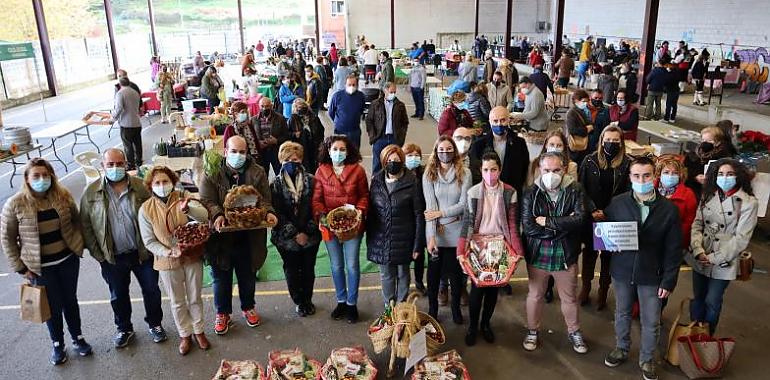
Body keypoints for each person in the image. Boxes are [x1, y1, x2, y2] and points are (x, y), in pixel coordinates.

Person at [1, 158, 92, 365]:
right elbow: (7, 238)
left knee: (70, 301)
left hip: (67, 261)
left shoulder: (63, 196)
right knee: (51, 306)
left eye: (45, 175)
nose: (42, 179)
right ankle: (58, 344)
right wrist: (21, 268)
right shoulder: (15, 204)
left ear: (52, 176)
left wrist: (78, 245)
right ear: (27, 178)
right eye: (36, 176)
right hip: (40, 269)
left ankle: (78, 338)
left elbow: (77, 222)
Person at [603, 156, 683, 380]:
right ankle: (622, 347)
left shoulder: (668, 210)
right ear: (630, 178)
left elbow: (674, 249)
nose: (641, 179)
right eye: (636, 175)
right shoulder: (618, 203)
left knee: (651, 320)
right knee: (622, 312)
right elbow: (605, 232)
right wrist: (609, 244)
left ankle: (647, 359)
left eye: (646, 175)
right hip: (622, 271)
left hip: (652, 274)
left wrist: (668, 281)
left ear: (654, 177)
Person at [80, 148, 165, 349]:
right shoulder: (91, 193)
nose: (115, 168)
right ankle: (124, 328)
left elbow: (155, 214)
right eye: (110, 164)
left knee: (152, 290)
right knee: (118, 295)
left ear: (126, 164)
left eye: (119, 164)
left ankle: (155, 324)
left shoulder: (141, 187)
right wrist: (98, 253)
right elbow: (85, 225)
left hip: (142, 253)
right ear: (103, 166)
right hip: (113, 256)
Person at [200, 136, 277, 335]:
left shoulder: (257, 172)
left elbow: (266, 200)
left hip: (248, 236)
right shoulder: (212, 172)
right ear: (225, 151)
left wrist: (268, 212)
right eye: (234, 151)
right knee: (221, 278)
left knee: (247, 275)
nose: (238, 156)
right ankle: (222, 313)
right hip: (221, 238)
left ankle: (248, 307)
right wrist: (217, 214)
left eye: (242, 152)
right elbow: (206, 200)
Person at [521, 152, 589, 354]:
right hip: (538, 254)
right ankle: (532, 330)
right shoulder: (530, 192)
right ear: (539, 170)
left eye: (556, 170)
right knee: (535, 295)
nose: (551, 174)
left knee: (569, 298)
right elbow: (529, 227)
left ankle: (574, 331)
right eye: (547, 170)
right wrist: (563, 224)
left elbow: (580, 220)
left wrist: (547, 221)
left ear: (565, 169)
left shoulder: (575, 190)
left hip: (565, 254)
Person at [138, 166, 210, 355]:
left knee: (195, 297)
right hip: (167, 261)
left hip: (192, 255)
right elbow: (148, 241)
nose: (162, 186)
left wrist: (189, 209)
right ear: (150, 186)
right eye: (157, 183)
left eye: (165, 181)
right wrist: (167, 251)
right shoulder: (146, 209)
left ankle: (199, 331)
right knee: (177, 301)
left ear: (172, 181)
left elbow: (203, 217)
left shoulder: (184, 195)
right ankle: (185, 334)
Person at [458, 151, 525, 346]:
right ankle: (473, 326)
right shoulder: (472, 193)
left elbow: (512, 224)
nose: (490, 174)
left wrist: (517, 251)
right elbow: (468, 224)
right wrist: (461, 251)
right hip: (478, 246)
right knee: (477, 290)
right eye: (486, 170)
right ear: (480, 170)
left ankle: (486, 324)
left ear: (500, 170)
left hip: (498, 246)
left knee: (493, 290)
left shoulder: (510, 192)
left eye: (493, 169)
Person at [688, 158, 758, 335]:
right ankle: (693, 332)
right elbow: (697, 224)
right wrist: (698, 250)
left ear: (739, 176)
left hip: (724, 258)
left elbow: (741, 239)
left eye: (730, 174)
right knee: (698, 297)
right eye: (720, 174)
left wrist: (713, 258)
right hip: (701, 253)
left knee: (713, 299)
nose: (724, 178)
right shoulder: (708, 195)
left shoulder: (748, 203)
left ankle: (707, 335)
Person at [313, 135, 369, 323]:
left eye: (342, 149)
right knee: (336, 265)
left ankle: (352, 304)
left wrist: (358, 212)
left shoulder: (358, 171)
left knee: (352, 265)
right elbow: (317, 199)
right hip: (330, 226)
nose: (338, 153)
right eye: (335, 149)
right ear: (328, 151)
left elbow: (364, 196)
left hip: (352, 226)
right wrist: (322, 216)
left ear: (348, 151)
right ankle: (341, 300)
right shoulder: (321, 171)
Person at [578, 125, 631, 310]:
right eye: (608, 140)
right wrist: (592, 209)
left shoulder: (627, 164)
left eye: (615, 141)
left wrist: (608, 212)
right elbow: (581, 188)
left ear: (621, 143)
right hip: (591, 217)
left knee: (609, 258)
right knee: (589, 255)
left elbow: (627, 192)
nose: (611, 144)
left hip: (613, 218)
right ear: (601, 141)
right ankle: (585, 287)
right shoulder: (589, 160)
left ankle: (603, 291)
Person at [368, 145, 425, 305]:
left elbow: (418, 214)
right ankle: (389, 307)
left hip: (404, 240)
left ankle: (402, 308)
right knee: (386, 275)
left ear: (402, 160)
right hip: (382, 239)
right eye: (389, 160)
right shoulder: (376, 181)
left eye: (397, 160)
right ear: (384, 162)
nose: (393, 163)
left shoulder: (412, 182)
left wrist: (417, 244)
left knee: (403, 274)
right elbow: (371, 212)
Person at [270, 142, 322, 317]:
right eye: (288, 160)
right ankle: (298, 300)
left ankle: (308, 299)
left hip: (310, 236)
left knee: (308, 269)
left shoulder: (313, 181)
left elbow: (317, 208)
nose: (292, 162)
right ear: (281, 161)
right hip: (286, 239)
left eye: (296, 159)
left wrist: (307, 231)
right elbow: (276, 212)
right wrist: (294, 233)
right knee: (292, 270)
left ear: (301, 159)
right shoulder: (275, 185)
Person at [423, 136, 471, 323]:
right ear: (436, 152)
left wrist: (440, 213)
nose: (445, 153)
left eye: (448, 149)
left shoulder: (465, 173)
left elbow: (464, 205)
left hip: (457, 233)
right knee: (434, 277)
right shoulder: (429, 175)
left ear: (455, 151)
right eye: (441, 150)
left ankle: (455, 310)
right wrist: (431, 238)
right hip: (437, 234)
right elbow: (430, 210)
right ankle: (433, 309)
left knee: (457, 277)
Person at [470, 106, 530, 196]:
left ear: (508, 120)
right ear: (490, 122)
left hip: (512, 193)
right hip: (487, 194)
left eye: (503, 120)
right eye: (495, 121)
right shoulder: (478, 145)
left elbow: (525, 169)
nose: (499, 124)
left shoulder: (519, 143)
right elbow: (475, 172)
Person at [655, 155, 698, 258]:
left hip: (675, 245)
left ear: (680, 175)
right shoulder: (649, 190)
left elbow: (689, 223)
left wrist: (672, 239)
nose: (670, 176)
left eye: (675, 173)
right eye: (666, 172)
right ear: (659, 174)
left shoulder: (688, 194)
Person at [366, 82, 409, 173]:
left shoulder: (400, 105)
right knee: (377, 164)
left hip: (394, 139)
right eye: (391, 92)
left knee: (395, 164)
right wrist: (373, 137)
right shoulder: (375, 104)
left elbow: (405, 122)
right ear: (385, 90)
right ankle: (376, 184)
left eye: (394, 92)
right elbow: (369, 120)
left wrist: (401, 137)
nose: (393, 94)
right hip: (379, 138)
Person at [684, 126, 735, 198]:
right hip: (691, 188)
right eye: (703, 140)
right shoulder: (693, 155)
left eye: (709, 141)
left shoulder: (723, 157)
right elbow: (684, 171)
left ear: (718, 142)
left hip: (711, 192)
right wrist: (695, 177)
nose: (705, 143)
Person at [403, 143, 427, 294]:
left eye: (416, 155)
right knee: (406, 253)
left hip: (422, 219)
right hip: (406, 220)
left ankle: (419, 281)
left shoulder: (425, 174)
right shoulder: (401, 174)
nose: (413, 158)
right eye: (409, 155)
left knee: (420, 254)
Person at [286, 98, 324, 174]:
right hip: (301, 147)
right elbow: (286, 134)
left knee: (315, 165)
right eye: (298, 107)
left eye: (302, 106)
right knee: (304, 167)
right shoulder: (292, 119)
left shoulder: (314, 117)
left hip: (314, 145)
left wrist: (321, 143)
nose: (301, 108)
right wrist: (294, 134)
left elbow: (321, 130)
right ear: (295, 108)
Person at [328, 74, 367, 149]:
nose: (351, 87)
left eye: (354, 85)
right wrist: (338, 121)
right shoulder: (337, 96)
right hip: (340, 131)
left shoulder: (361, 96)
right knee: (341, 152)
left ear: (357, 85)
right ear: (345, 84)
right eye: (349, 84)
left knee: (354, 152)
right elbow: (331, 112)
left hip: (355, 131)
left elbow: (361, 110)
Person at [113, 77, 143, 170]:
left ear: (120, 84)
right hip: (137, 122)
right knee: (138, 144)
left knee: (128, 146)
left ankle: (131, 165)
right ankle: (139, 162)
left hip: (126, 124)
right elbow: (139, 105)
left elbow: (119, 108)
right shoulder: (135, 92)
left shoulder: (120, 93)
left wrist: (113, 118)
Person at [253, 97, 288, 176]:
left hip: (276, 151)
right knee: (263, 175)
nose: (264, 108)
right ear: (259, 106)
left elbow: (287, 136)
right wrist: (258, 143)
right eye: (262, 106)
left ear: (271, 106)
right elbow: (252, 137)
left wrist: (276, 140)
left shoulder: (281, 119)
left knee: (280, 174)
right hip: (261, 153)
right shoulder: (253, 120)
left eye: (267, 106)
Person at [564, 90, 593, 166]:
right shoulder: (571, 113)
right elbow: (572, 130)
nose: (585, 103)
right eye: (583, 101)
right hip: (576, 145)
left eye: (587, 101)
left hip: (583, 144)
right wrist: (586, 129)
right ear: (576, 100)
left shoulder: (583, 110)